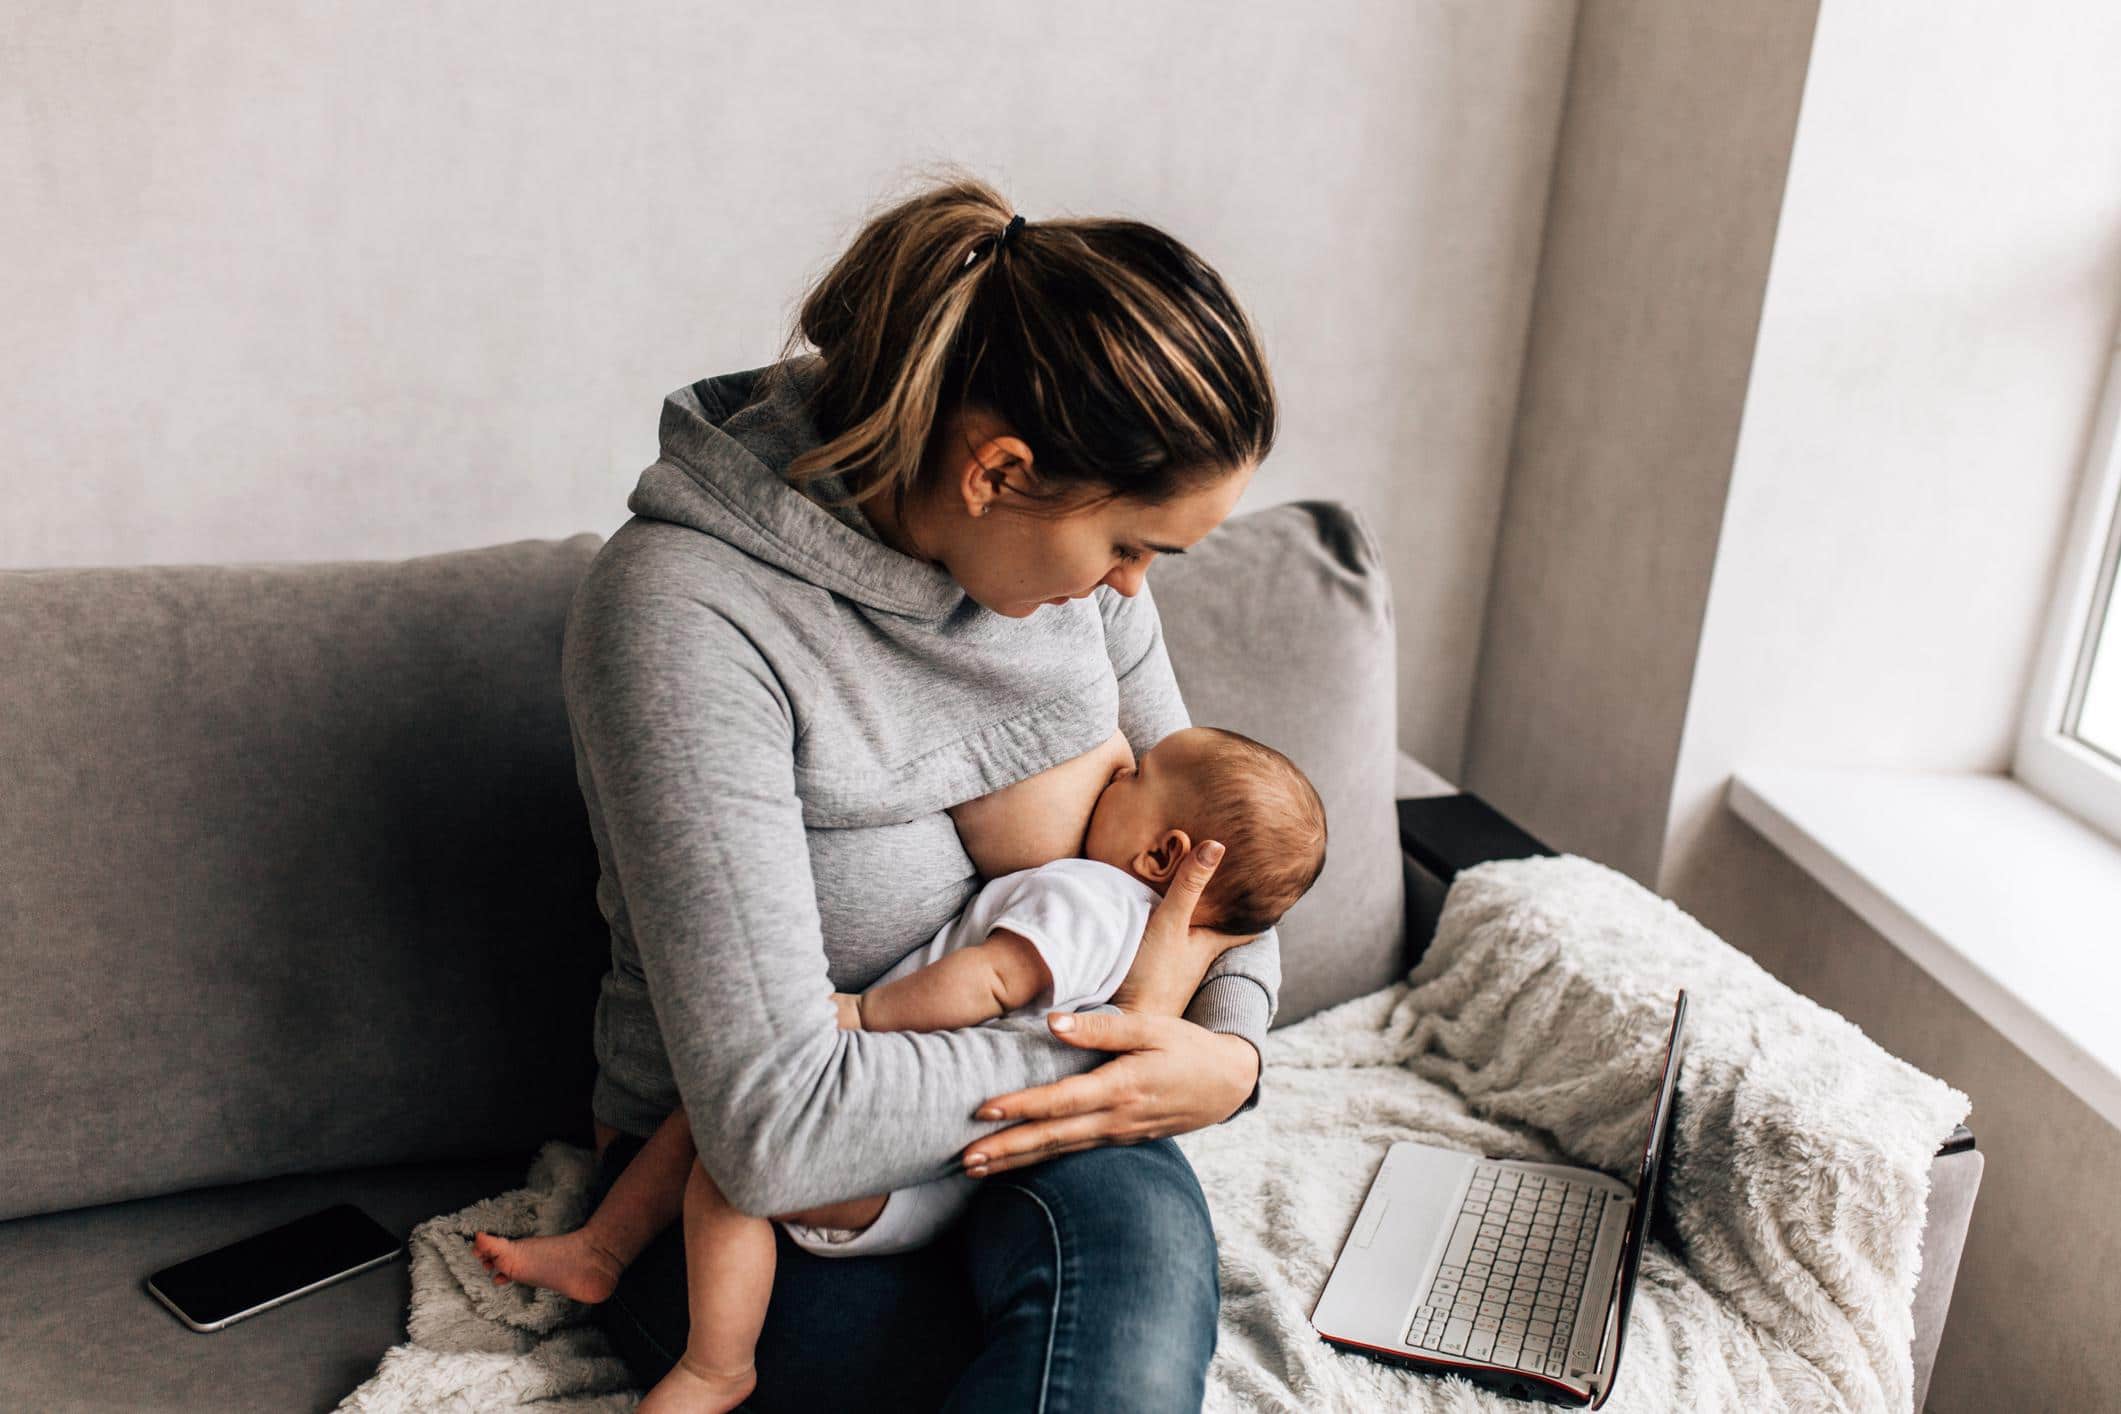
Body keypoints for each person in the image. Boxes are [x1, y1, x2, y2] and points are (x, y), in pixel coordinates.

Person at [558, 168, 1284, 1411]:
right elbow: (772, 1123)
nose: (1129, 593)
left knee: (1135, 1291)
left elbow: (1223, 854)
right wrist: (1117, 1073)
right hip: (754, 1206)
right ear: (998, 471)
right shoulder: (686, 617)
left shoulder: (1071, 585)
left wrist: (1230, 1056)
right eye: (1129, 546)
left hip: (1024, 1138)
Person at [474, 727, 1327, 1411]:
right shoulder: (1153, 929)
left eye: (1130, 775)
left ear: (1162, 855)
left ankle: (712, 1365)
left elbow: (992, 977)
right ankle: (605, 1252)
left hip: (904, 1125)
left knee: (729, 1175)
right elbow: (1234, 911)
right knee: (712, 1126)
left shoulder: (1090, 897)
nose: (1112, 766)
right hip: (960, 1151)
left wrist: (867, 1011)